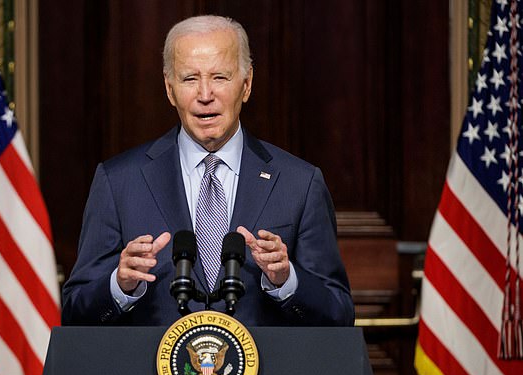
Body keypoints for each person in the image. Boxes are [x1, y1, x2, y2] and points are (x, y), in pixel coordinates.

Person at [61, 15, 354, 327]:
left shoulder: (300, 183)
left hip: (268, 374)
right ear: (169, 88)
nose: (204, 95)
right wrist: (119, 286)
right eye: (189, 79)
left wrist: (287, 280)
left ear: (247, 84)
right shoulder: (118, 182)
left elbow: (338, 314)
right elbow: (75, 312)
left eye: (219, 78)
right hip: (147, 374)